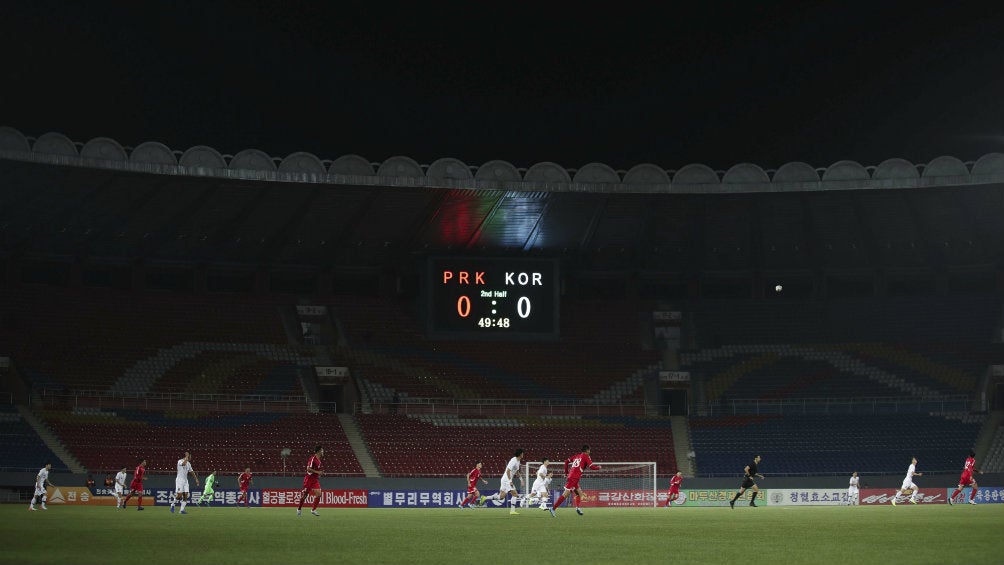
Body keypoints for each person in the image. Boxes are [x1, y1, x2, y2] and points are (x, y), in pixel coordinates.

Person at [552, 445, 601, 517]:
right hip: (574, 478)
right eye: (589, 450)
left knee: (579, 493)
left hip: (572, 477)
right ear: (587, 450)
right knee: (565, 495)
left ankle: (578, 508)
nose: (590, 452)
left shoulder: (576, 456)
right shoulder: (586, 456)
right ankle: (553, 508)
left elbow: (566, 461)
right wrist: (598, 468)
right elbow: (591, 467)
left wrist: (566, 473)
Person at [480, 448, 525, 515]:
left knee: (501, 497)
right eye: (522, 453)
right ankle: (512, 511)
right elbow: (508, 471)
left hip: (504, 479)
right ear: (520, 454)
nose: (523, 454)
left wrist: (521, 480)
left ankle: (485, 498)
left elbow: (517, 472)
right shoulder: (513, 460)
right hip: (507, 480)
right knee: (515, 494)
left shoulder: (518, 461)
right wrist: (510, 481)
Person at [297, 445, 324, 516]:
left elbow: (316, 470)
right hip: (308, 479)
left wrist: (319, 473)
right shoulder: (313, 458)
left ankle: (313, 510)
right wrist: (317, 472)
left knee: (319, 494)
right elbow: (308, 469)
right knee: (305, 495)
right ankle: (299, 509)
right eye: (322, 450)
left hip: (315, 480)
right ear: (319, 451)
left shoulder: (319, 460)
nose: (323, 452)